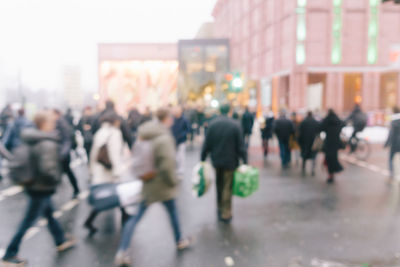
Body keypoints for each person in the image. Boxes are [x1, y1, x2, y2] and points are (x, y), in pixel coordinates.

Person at [115, 108, 191, 267]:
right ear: (167, 119)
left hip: (148, 181)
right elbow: (167, 164)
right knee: (172, 211)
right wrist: (173, 181)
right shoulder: (163, 137)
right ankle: (179, 240)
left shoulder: (146, 133)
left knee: (136, 217)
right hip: (161, 184)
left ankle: (123, 250)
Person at [1, 111, 76, 266]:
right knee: (28, 221)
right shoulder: (47, 142)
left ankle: (60, 239)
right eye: (51, 122)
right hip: (42, 186)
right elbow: (48, 169)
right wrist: (57, 179)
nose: (54, 124)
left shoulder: (31, 138)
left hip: (33, 184)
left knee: (48, 214)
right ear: (44, 124)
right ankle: (10, 254)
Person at [201, 104, 247, 223]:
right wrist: (245, 161)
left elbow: (207, 144)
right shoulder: (235, 125)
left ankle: (219, 207)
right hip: (230, 160)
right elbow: (241, 146)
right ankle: (226, 212)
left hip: (216, 160)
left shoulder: (212, 124)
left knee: (219, 184)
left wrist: (202, 158)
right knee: (227, 186)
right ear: (230, 111)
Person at [84, 112, 125, 235]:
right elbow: (114, 154)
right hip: (110, 170)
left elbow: (93, 153)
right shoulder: (115, 133)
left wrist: (91, 169)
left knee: (109, 193)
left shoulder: (100, 132)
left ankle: (125, 214)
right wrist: (118, 171)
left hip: (99, 169)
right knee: (114, 194)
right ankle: (89, 220)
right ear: (114, 121)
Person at [53, 109, 80, 199]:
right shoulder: (58, 122)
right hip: (60, 153)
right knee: (64, 172)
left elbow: (66, 140)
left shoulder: (61, 123)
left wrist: (63, 154)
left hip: (62, 154)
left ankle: (76, 189)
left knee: (67, 171)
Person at [320, 109, 345, 184]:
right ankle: (333, 173)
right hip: (336, 143)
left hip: (328, 143)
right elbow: (343, 124)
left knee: (328, 159)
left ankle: (330, 175)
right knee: (334, 158)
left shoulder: (326, 120)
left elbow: (320, 127)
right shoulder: (337, 120)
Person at [171, 106, 192, 177]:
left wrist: (182, 135)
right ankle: (175, 169)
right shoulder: (172, 119)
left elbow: (188, 129)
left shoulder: (184, 120)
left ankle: (181, 170)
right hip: (173, 140)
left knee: (181, 156)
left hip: (181, 140)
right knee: (175, 156)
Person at [298, 111, 320, 176]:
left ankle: (303, 166)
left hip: (305, 141)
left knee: (305, 155)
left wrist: (299, 141)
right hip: (313, 142)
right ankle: (312, 169)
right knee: (313, 156)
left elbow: (300, 132)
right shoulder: (315, 122)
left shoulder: (303, 122)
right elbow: (318, 131)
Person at [385, 107, 400, 178]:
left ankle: (391, 173)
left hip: (394, 143)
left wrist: (386, 143)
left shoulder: (393, 121)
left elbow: (390, 134)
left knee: (391, 158)